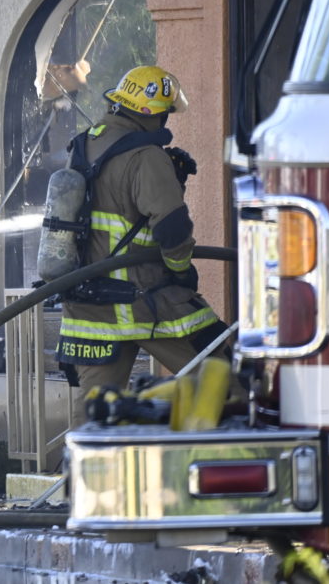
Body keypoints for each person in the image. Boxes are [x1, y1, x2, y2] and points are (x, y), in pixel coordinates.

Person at [53, 65, 232, 427]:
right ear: (153, 113)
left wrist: (171, 180)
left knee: (94, 415)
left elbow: (114, 207)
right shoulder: (147, 156)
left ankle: (81, 464)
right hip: (145, 299)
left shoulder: (83, 145)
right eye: (165, 113)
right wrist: (182, 271)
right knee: (226, 378)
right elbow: (172, 230)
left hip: (90, 308)